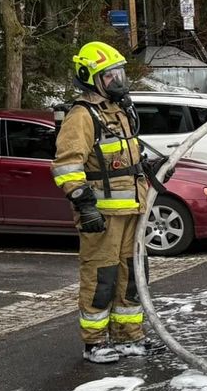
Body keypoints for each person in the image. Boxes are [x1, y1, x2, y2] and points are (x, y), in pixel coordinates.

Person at [53, 42, 162, 363]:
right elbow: (67, 165)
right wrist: (84, 204)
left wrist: (143, 167)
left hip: (132, 210)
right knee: (102, 278)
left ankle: (129, 337)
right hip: (102, 216)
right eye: (110, 76)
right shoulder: (81, 116)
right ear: (91, 78)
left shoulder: (119, 112)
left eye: (119, 74)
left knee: (130, 276)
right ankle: (95, 342)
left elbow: (121, 158)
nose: (118, 81)